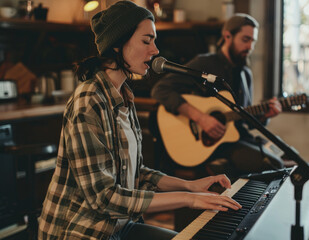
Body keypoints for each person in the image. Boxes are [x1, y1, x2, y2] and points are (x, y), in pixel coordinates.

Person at [37, 1, 241, 239]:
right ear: (117, 45)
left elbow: (137, 173)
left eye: (154, 41)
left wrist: (190, 185)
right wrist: (189, 199)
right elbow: (104, 198)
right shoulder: (89, 100)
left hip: (119, 226)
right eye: (147, 40)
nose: (155, 50)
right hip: (83, 231)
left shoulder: (124, 96)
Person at [151, 13, 292, 178]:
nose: (250, 47)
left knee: (287, 154)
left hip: (236, 137)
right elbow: (161, 89)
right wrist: (201, 118)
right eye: (245, 40)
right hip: (213, 143)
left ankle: (223, 169)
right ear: (227, 36)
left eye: (253, 41)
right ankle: (218, 169)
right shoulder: (205, 63)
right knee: (274, 164)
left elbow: (243, 117)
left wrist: (265, 116)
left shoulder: (245, 73)